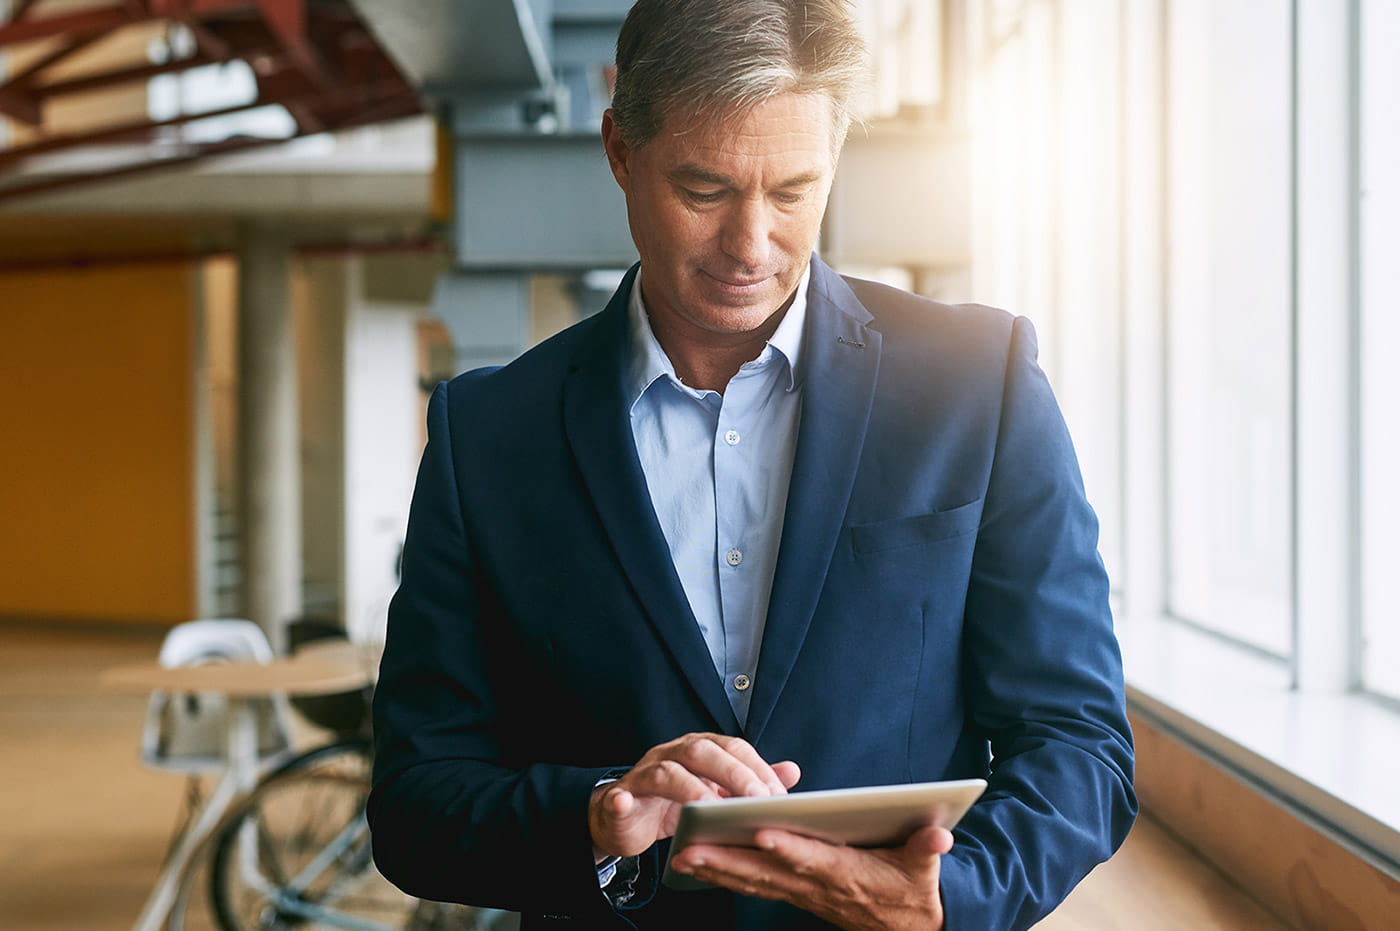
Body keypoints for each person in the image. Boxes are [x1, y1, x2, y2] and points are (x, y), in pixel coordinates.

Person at [367, 1, 1136, 928]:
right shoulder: (486, 434)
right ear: (619, 151)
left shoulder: (980, 382)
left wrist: (951, 898)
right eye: (704, 191)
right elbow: (416, 804)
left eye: (793, 191)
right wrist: (596, 810)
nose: (750, 245)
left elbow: (1078, 741)